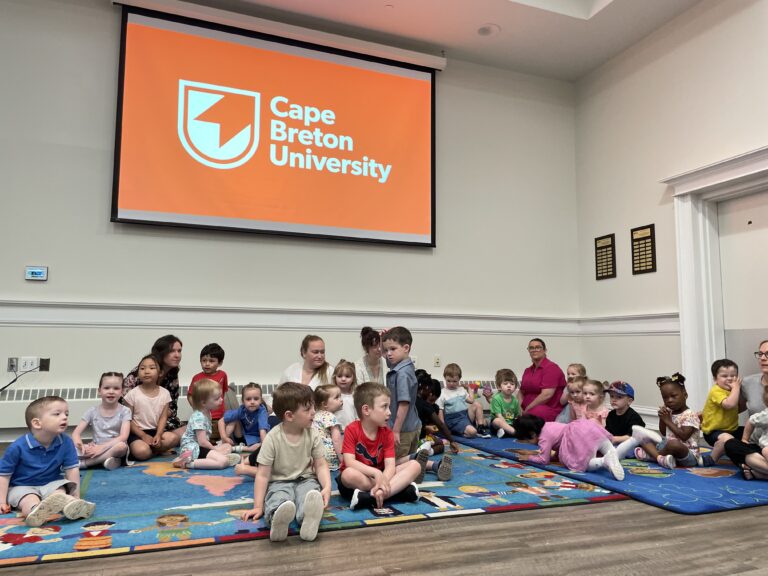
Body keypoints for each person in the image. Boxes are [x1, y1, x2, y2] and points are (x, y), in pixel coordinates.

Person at [240, 382, 330, 542]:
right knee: (278, 499)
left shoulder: (313, 434)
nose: (314, 412)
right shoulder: (272, 438)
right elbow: (262, 475)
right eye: (308, 409)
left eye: (313, 407)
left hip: (306, 479)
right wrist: (257, 506)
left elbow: (321, 464)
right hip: (279, 482)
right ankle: (278, 519)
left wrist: (327, 487)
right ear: (289, 416)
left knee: (309, 496)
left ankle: (308, 518)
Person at [0, 396, 96, 527]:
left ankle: (72, 505)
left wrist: (76, 495)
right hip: (21, 486)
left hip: (51, 483)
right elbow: (4, 475)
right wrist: (1, 501)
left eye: (66, 414)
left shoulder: (66, 442)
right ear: (37, 423)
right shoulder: (17, 447)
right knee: (28, 499)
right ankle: (35, 511)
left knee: (59, 492)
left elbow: (72, 469)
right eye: (57, 414)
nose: (64, 417)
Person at [337, 383, 422, 510]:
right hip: (359, 479)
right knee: (348, 474)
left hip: (382, 476)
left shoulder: (387, 432)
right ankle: (398, 491)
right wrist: (376, 473)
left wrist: (382, 482)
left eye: (389, 407)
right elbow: (349, 462)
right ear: (366, 410)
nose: (389, 412)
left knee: (415, 465)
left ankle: (374, 496)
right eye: (384, 407)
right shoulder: (351, 429)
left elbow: (390, 466)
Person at [512, 413, 624, 480]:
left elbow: (544, 460)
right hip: (586, 427)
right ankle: (634, 440)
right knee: (609, 448)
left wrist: (529, 458)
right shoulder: (548, 425)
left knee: (582, 463)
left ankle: (604, 461)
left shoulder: (543, 438)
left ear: (532, 434)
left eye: (527, 441)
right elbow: (556, 450)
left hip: (577, 437)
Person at [633, 373, 701, 469]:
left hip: (687, 455)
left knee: (674, 444)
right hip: (669, 449)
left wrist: (668, 421)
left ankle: (653, 456)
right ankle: (661, 457)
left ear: (685, 395)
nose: (669, 400)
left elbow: (684, 436)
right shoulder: (670, 412)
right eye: (665, 397)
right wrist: (662, 418)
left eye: (673, 396)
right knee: (643, 438)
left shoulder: (690, 415)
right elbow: (663, 432)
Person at [123, 334, 185, 440]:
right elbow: (123, 408)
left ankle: (156, 443)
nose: (177, 355)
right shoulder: (140, 372)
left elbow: (173, 408)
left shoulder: (172, 373)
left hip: (161, 420)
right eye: (172, 351)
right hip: (137, 422)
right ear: (161, 353)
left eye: (179, 351)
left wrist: (157, 413)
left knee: (190, 432)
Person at [174, 379, 240, 470]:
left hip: (200, 447)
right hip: (194, 449)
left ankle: (214, 457)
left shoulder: (207, 412)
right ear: (204, 403)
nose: (221, 400)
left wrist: (215, 449)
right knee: (223, 462)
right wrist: (215, 449)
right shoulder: (199, 417)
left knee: (227, 446)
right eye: (217, 398)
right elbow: (203, 442)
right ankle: (187, 463)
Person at [71, 372, 131, 470]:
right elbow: (75, 434)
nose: (111, 391)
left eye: (116, 388)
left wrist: (102, 448)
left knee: (121, 447)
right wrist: (81, 446)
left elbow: (123, 437)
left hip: (113, 447)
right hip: (95, 447)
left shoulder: (125, 411)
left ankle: (87, 463)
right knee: (68, 447)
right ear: (99, 391)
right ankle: (106, 460)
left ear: (122, 392)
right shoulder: (91, 411)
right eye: (107, 388)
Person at [123, 354, 177, 461]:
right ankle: (153, 451)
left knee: (173, 438)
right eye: (142, 368)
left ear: (160, 373)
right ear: (138, 373)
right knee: (141, 451)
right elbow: (128, 420)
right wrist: (143, 436)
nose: (146, 371)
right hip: (137, 433)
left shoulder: (165, 393)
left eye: (152, 368)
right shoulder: (132, 394)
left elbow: (163, 417)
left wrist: (159, 434)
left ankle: (152, 450)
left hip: (155, 431)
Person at [382, 326, 421, 461]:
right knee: (408, 460)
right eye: (386, 350)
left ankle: (417, 471)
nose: (388, 354)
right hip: (412, 426)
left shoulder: (402, 374)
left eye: (393, 349)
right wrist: (383, 340)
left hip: (403, 429)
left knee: (396, 462)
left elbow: (403, 404)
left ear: (406, 348)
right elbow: (388, 361)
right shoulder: (404, 365)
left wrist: (396, 430)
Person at [700, 359, 742, 466]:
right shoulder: (716, 391)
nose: (729, 379)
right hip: (714, 432)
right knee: (727, 439)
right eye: (724, 376)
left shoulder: (733, 390)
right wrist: (736, 388)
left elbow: (741, 405)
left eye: (733, 376)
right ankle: (712, 458)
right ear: (715, 378)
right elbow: (729, 404)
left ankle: (733, 452)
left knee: (750, 432)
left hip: (732, 429)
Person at [723, 388, 768, 480]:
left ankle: (759, 473)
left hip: (762, 453)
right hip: (762, 449)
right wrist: (745, 439)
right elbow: (751, 421)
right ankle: (759, 472)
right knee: (730, 444)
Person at [188, 343, 229, 441]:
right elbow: (190, 395)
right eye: (204, 360)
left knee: (225, 431)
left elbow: (223, 393)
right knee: (207, 436)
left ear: (220, 363)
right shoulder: (197, 378)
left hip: (220, 415)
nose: (207, 364)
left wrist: (224, 411)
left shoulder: (223, 375)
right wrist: (198, 409)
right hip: (204, 416)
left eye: (211, 361)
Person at [437, 363, 490, 438]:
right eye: (448, 381)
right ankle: (459, 431)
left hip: (465, 416)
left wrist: (469, 389)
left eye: (455, 381)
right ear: (444, 378)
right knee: (473, 432)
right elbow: (440, 411)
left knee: (477, 404)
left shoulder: (461, 389)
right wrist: (444, 428)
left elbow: (471, 401)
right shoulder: (442, 393)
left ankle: (480, 427)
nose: (451, 384)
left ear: (459, 379)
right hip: (453, 420)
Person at [520, 338, 567, 421]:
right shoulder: (527, 370)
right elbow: (521, 392)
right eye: (531, 348)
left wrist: (527, 409)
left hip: (547, 409)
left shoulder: (552, 368)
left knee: (535, 413)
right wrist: (518, 407)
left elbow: (546, 395)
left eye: (538, 347)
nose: (534, 350)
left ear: (545, 350)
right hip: (526, 409)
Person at [414, 373, 460, 456]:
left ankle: (423, 450)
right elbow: (440, 424)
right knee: (441, 445)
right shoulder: (424, 405)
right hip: (418, 440)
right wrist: (452, 441)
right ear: (427, 389)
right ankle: (423, 450)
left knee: (437, 441)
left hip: (405, 439)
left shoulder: (408, 400)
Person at [218, 382, 271, 453]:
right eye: (248, 399)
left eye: (256, 399)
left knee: (264, 444)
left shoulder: (262, 412)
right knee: (234, 420)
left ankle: (238, 448)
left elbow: (262, 431)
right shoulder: (242, 410)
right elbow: (221, 421)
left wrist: (265, 447)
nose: (252, 402)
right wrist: (224, 437)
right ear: (243, 401)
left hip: (257, 439)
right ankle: (224, 444)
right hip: (242, 437)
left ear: (261, 400)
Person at [312, 384, 343, 470]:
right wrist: (342, 459)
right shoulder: (330, 416)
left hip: (316, 456)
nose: (341, 400)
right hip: (329, 457)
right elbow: (336, 440)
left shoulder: (316, 415)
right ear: (325, 404)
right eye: (337, 397)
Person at [738, 340, 768, 418]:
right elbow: (734, 410)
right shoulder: (747, 383)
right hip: (755, 430)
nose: (762, 358)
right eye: (760, 354)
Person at [489, 368, 521, 438]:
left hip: (511, 424)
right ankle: (516, 433)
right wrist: (507, 426)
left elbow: (516, 416)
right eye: (505, 384)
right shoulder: (496, 398)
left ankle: (506, 432)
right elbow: (499, 415)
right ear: (499, 387)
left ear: (515, 387)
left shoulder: (515, 400)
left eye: (512, 384)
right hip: (498, 424)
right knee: (497, 421)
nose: (509, 386)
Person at [332, 360, 359, 430]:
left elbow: (358, 416)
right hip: (335, 431)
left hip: (352, 431)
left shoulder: (356, 396)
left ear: (353, 378)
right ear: (335, 377)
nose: (343, 379)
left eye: (347, 376)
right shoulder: (331, 396)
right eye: (339, 376)